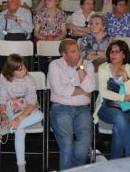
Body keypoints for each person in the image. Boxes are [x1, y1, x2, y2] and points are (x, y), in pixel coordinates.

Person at [0, 54, 44, 172]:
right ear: (11, 71)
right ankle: (21, 167)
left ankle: (0, 132)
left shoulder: (29, 79)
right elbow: (2, 100)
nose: (24, 70)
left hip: (27, 108)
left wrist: (19, 119)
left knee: (40, 115)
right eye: (20, 69)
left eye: (23, 66)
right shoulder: (4, 78)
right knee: (20, 130)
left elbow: (32, 103)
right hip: (11, 108)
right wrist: (3, 115)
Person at [49, 39, 95, 169]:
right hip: (60, 108)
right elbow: (59, 89)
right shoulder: (54, 65)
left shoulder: (88, 65)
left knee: (85, 142)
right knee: (67, 142)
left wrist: (81, 68)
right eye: (73, 52)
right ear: (64, 55)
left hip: (82, 109)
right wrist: (83, 90)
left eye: (78, 50)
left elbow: (90, 88)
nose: (78, 54)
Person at [94, 40, 130, 159]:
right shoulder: (104, 68)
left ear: (124, 54)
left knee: (118, 128)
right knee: (119, 117)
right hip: (106, 108)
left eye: (117, 52)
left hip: (128, 111)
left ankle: (114, 164)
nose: (113, 55)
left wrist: (125, 77)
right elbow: (103, 92)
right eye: (111, 52)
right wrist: (123, 97)